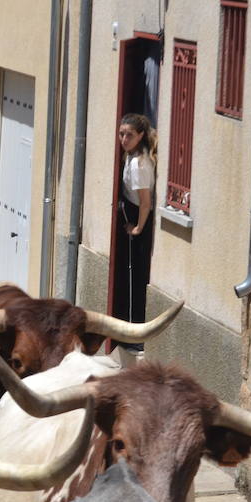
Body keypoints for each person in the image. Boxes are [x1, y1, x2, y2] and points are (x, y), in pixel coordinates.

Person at [115, 112, 157, 345]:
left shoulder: (140, 163)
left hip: (139, 219)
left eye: (129, 135)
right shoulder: (130, 156)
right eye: (121, 134)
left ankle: (135, 336)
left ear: (140, 136)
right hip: (130, 215)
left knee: (135, 278)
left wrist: (138, 229)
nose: (124, 139)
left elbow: (145, 202)